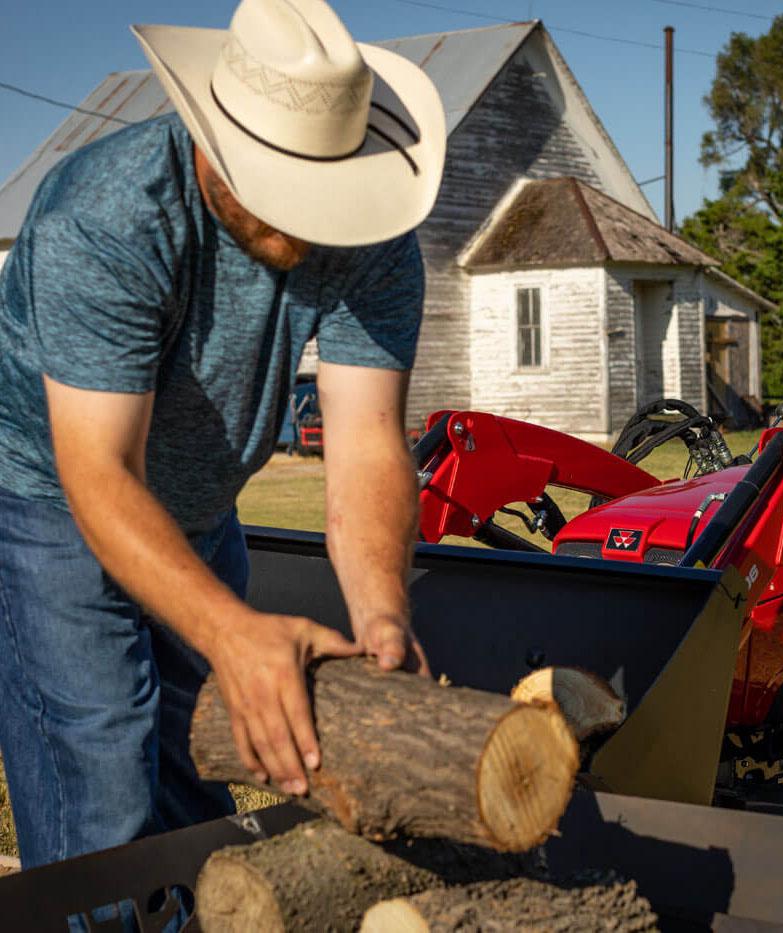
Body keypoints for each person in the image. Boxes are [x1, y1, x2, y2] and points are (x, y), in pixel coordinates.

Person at [0, 0, 447, 870]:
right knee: (103, 783)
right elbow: (96, 470)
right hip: (52, 496)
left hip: (201, 500)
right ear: (212, 142)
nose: (306, 224)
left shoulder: (373, 231)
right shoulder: (105, 220)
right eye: (282, 194)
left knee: (197, 774)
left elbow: (364, 446)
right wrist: (235, 633)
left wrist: (384, 613)